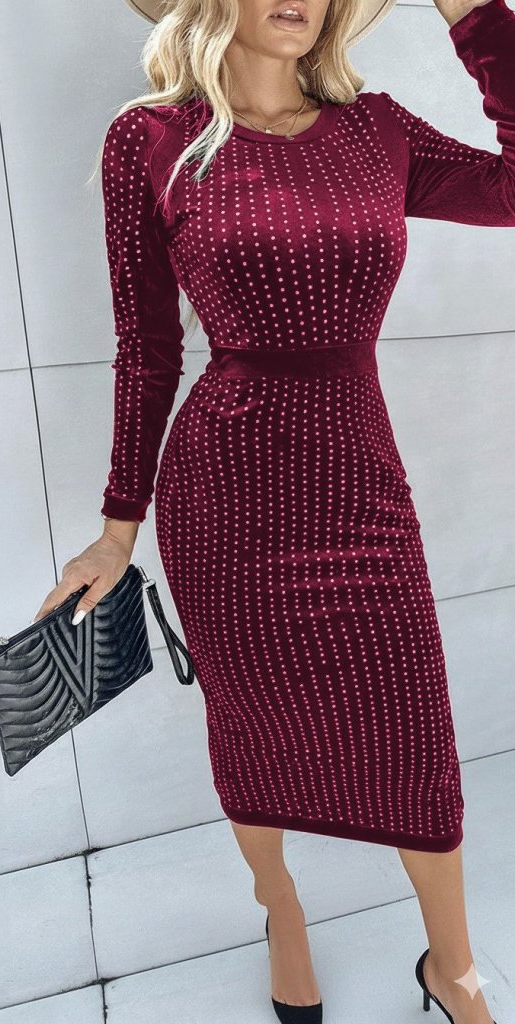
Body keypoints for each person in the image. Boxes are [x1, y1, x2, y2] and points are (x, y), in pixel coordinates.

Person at [34, 0, 514, 1020]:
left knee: (413, 736)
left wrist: (478, 19)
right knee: (251, 725)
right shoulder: (151, 138)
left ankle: (455, 969)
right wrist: (118, 528)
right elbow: (145, 346)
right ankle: (279, 905)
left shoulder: (375, 129)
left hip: (360, 482)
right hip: (226, 494)